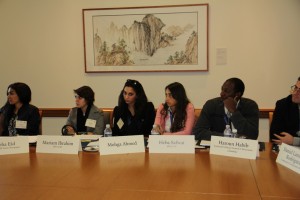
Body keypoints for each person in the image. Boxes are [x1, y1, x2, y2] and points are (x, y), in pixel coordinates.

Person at [193, 77, 259, 140]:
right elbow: (198, 132)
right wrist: (227, 138)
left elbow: (252, 135)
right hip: (218, 146)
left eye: (226, 91)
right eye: (222, 89)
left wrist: (234, 112)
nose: (221, 94)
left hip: (241, 148)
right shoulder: (211, 105)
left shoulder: (250, 106)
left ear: (237, 94)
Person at [270, 76, 300, 146]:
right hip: (288, 151)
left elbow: (290, 139)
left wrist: (294, 140)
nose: (295, 92)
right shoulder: (283, 104)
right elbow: (275, 136)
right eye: (295, 88)